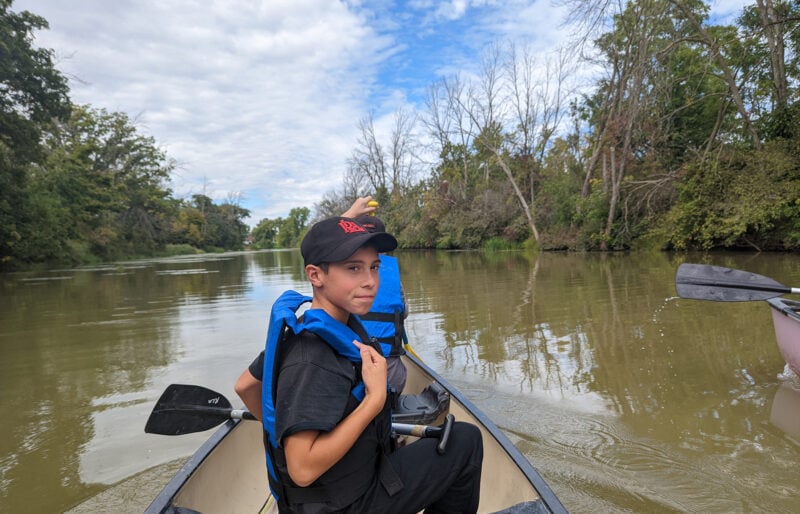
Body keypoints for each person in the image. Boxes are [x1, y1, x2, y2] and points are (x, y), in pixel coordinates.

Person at [237, 216, 483, 513]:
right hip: (345, 504)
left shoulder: (309, 326)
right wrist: (374, 400)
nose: (370, 281)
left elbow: (246, 386)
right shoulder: (314, 360)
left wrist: (279, 429)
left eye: (374, 267)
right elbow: (301, 471)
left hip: (337, 489)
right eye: (353, 268)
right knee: (466, 443)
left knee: (459, 439)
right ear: (316, 275)